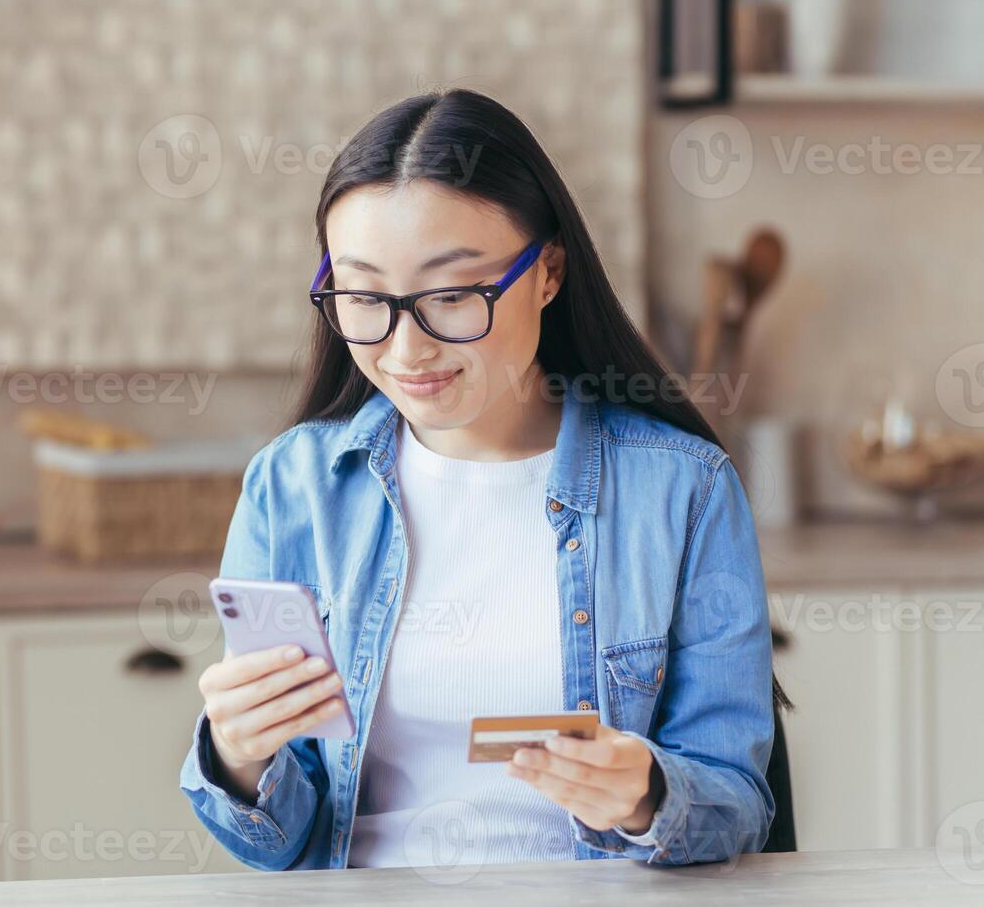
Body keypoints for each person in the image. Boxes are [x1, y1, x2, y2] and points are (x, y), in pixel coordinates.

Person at [179, 89, 778, 871]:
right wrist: (239, 757)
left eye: (454, 295)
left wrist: (647, 797)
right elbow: (275, 846)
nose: (406, 350)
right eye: (365, 298)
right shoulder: (294, 487)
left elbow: (738, 805)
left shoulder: (682, 490)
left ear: (549, 272)